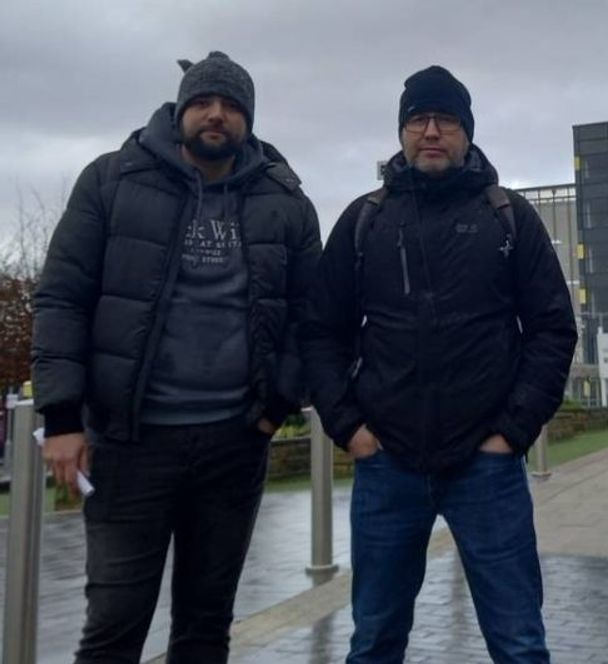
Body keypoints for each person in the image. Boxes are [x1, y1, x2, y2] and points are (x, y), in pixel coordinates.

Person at [33, 51, 321, 663]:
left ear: (249, 119)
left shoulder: (285, 199)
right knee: (114, 626)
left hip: (234, 443)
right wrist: (60, 417)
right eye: (204, 102)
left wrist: (277, 406)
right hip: (129, 443)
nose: (217, 115)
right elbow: (62, 299)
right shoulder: (111, 180)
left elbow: (311, 316)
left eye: (232, 106)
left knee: (206, 625)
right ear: (180, 108)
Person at [301, 65, 576, 663]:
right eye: (418, 120)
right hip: (387, 463)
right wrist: (349, 427)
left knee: (519, 642)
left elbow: (552, 330)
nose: (431, 131)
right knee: (374, 640)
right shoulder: (365, 220)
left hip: (487, 465)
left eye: (445, 120)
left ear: (466, 132)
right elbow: (321, 332)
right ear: (401, 132)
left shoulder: (508, 216)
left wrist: (512, 432)